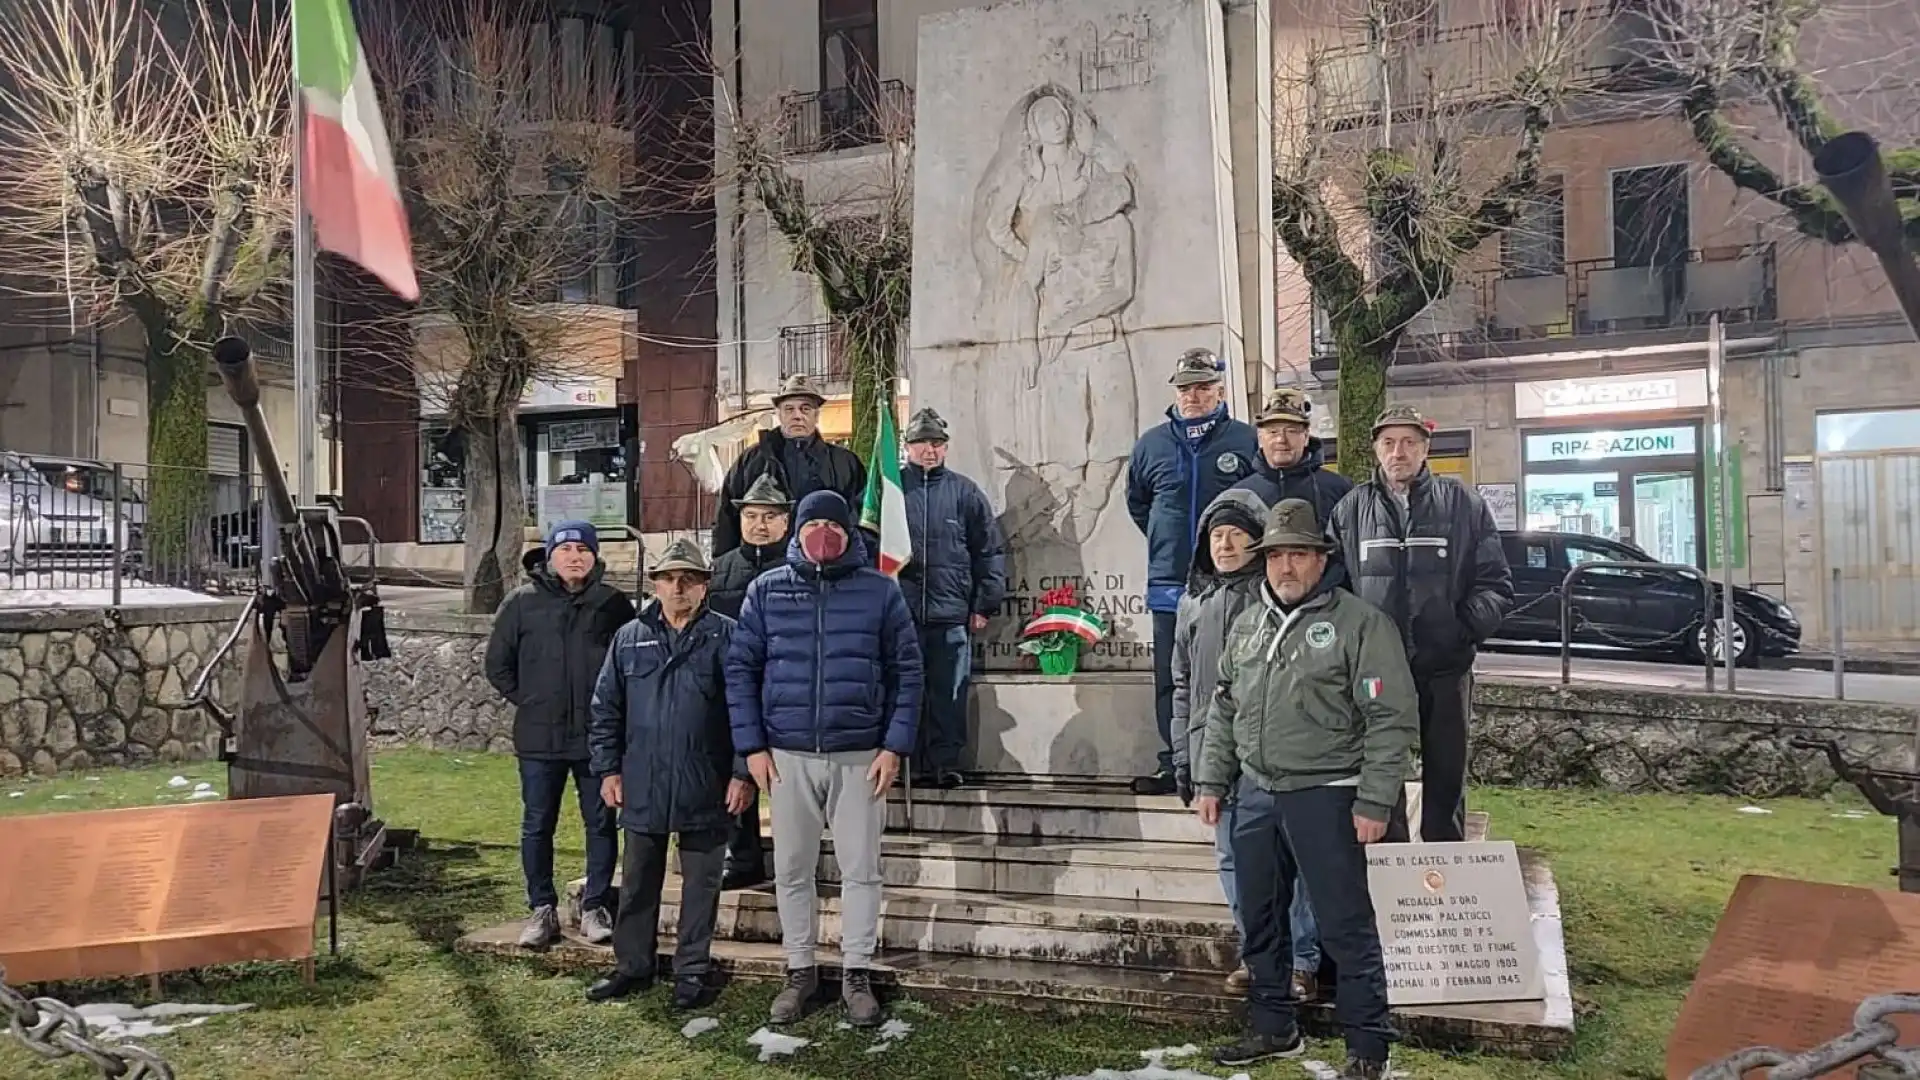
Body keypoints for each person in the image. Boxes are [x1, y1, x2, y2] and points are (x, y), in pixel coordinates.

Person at [1194, 499, 1418, 1078]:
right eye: (1275, 556)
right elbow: (1223, 708)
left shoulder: (1361, 624)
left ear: (1321, 560)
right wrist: (1212, 779)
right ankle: (1274, 1027)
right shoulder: (1248, 625)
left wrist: (1375, 800)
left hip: (1329, 793)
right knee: (1261, 919)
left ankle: (1368, 1048)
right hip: (1257, 795)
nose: (1286, 567)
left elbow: (1390, 718)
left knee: (1344, 924)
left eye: (1298, 554)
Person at [724, 490, 924, 1029]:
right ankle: (800, 970)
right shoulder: (766, 590)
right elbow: (741, 670)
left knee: (861, 870)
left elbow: (907, 671)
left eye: (830, 525)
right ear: (798, 529)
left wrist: (894, 745)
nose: (821, 534)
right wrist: (753, 749)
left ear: (847, 531)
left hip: (860, 754)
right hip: (786, 755)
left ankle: (856, 971)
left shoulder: (880, 591)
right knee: (791, 870)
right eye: (811, 523)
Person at [1327, 405, 1514, 843]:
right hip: (1376, 669)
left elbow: (1496, 584)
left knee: (1447, 770)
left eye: (1409, 442)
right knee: (1379, 765)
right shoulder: (1350, 510)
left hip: (1445, 667)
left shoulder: (1464, 504)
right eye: (1389, 443)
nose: (1399, 452)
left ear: (1426, 448)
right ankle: (1389, 867)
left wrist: (1461, 630)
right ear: (1375, 448)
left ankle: (1443, 866)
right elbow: (1333, 590)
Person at [584, 538, 754, 1009]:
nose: (678, 587)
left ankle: (692, 973)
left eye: (689, 579)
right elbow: (606, 708)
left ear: (704, 587)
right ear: (655, 584)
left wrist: (744, 772)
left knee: (701, 885)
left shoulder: (729, 635)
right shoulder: (628, 636)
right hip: (643, 779)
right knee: (638, 881)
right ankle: (632, 966)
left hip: (708, 782)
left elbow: (746, 708)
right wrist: (608, 769)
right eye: (669, 579)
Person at [1170, 487, 1323, 1000]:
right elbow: (1182, 685)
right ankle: (1259, 955)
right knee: (1233, 859)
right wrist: (1182, 756)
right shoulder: (1194, 601)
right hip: (1212, 755)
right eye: (1217, 535)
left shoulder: (1276, 599)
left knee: (1292, 860)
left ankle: (1301, 959)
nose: (1226, 545)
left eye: (1238, 535)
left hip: (1271, 754)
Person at [484, 520, 636, 949]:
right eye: (566, 548)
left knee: (602, 823)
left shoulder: (613, 604)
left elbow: (628, 666)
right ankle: (541, 907)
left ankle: (595, 907)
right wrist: (531, 700)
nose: (575, 556)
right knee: (537, 823)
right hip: (539, 739)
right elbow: (498, 665)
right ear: (550, 555)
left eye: (583, 549)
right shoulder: (521, 604)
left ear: (594, 557)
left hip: (596, 740)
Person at [1124, 346, 1259, 796]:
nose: (1193, 396)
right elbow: (1139, 503)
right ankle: (1175, 758)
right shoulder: (1152, 445)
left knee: (1240, 670)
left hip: (1234, 582)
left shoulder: (1245, 441)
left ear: (1219, 391)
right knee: (1172, 676)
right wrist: (1168, 542)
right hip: (1170, 583)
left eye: (1203, 387)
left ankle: (1240, 759)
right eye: (1186, 388)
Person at [899, 407, 1007, 789]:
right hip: (901, 615)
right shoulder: (891, 491)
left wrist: (984, 603)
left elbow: (988, 551)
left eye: (937, 444)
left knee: (950, 693)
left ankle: (945, 762)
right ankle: (905, 762)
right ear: (907, 446)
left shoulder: (965, 492)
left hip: (950, 614)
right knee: (904, 691)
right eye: (922, 443)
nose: (930, 451)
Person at [707, 472, 794, 890]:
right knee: (732, 772)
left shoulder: (799, 569)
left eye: (770, 516)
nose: (760, 524)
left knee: (787, 779)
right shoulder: (719, 570)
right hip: (731, 687)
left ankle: (795, 859)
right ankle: (740, 856)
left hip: (783, 686)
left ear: (786, 522)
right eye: (752, 515)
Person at [712, 374, 865, 558]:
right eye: (789, 409)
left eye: (805, 409)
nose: (797, 416)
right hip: (762, 567)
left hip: (825, 567)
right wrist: (724, 566)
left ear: (817, 415)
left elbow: (859, 520)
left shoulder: (845, 463)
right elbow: (727, 518)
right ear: (779, 414)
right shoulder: (751, 460)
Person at [1230, 387, 1353, 586]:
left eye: (1292, 431)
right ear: (1260, 438)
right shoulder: (1240, 495)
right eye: (1273, 432)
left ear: (1306, 436)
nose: (1281, 440)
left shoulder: (1340, 489)